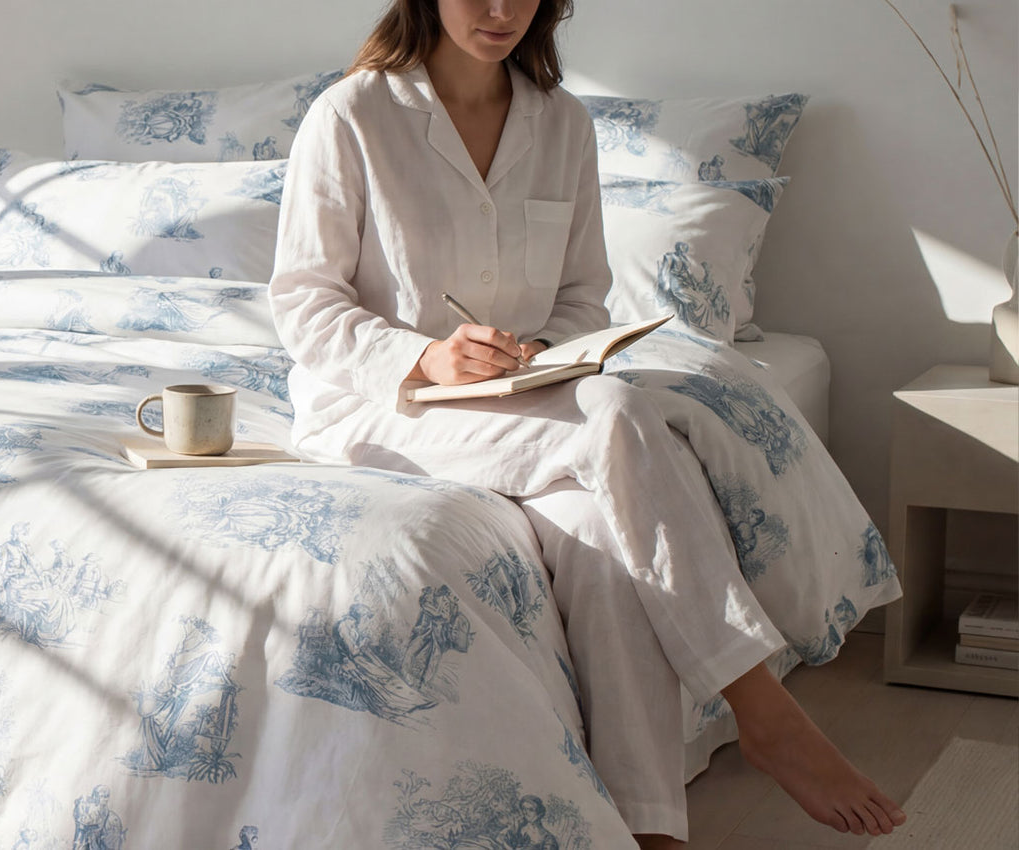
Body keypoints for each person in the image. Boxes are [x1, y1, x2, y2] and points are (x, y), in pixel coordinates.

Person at [268, 1, 908, 846]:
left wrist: (542, 353)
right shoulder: (353, 114)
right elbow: (304, 303)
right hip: (385, 407)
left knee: (604, 540)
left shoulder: (561, 122)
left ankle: (651, 832)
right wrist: (425, 358)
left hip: (523, 403)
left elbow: (581, 297)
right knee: (618, 410)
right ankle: (761, 707)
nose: (502, 10)